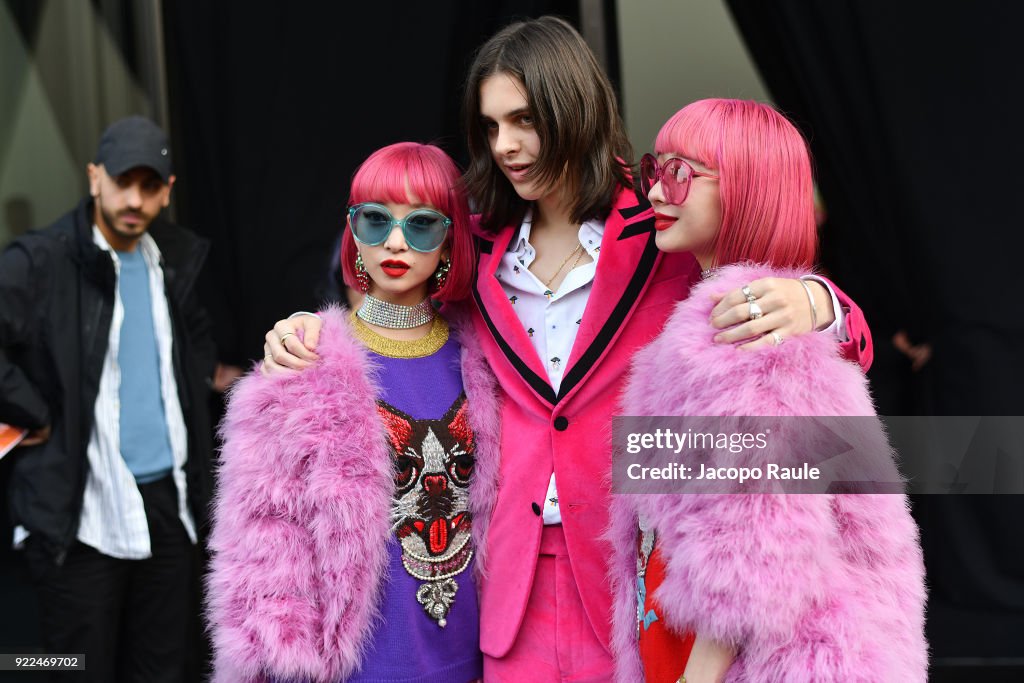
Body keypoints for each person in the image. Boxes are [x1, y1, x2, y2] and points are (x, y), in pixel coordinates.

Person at [261, 17, 873, 680]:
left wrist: (821, 304)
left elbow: (831, 357)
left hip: (630, 577)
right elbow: (388, 298)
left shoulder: (662, 229)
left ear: (572, 106)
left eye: (524, 120)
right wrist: (311, 331)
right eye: (491, 127)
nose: (507, 146)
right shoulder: (476, 240)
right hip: (507, 585)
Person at [607, 99, 927, 682]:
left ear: (748, 189)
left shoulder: (748, 322)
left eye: (682, 173)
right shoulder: (753, 307)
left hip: (763, 657)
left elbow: (759, 541)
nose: (655, 191)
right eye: (657, 169)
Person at [208, 142, 500, 682]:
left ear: (451, 241)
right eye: (374, 220)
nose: (394, 241)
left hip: (478, 657)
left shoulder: (489, 361)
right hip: (357, 666)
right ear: (352, 231)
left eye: (422, 225)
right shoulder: (303, 366)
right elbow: (260, 564)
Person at [0, 116, 216, 682]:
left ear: (167, 192)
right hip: (83, 510)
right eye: (123, 181)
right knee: (72, 668)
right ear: (95, 178)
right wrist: (32, 410)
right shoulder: (44, 259)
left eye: (150, 187)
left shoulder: (173, 260)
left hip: (168, 506)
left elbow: (193, 356)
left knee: (165, 668)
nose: (134, 200)